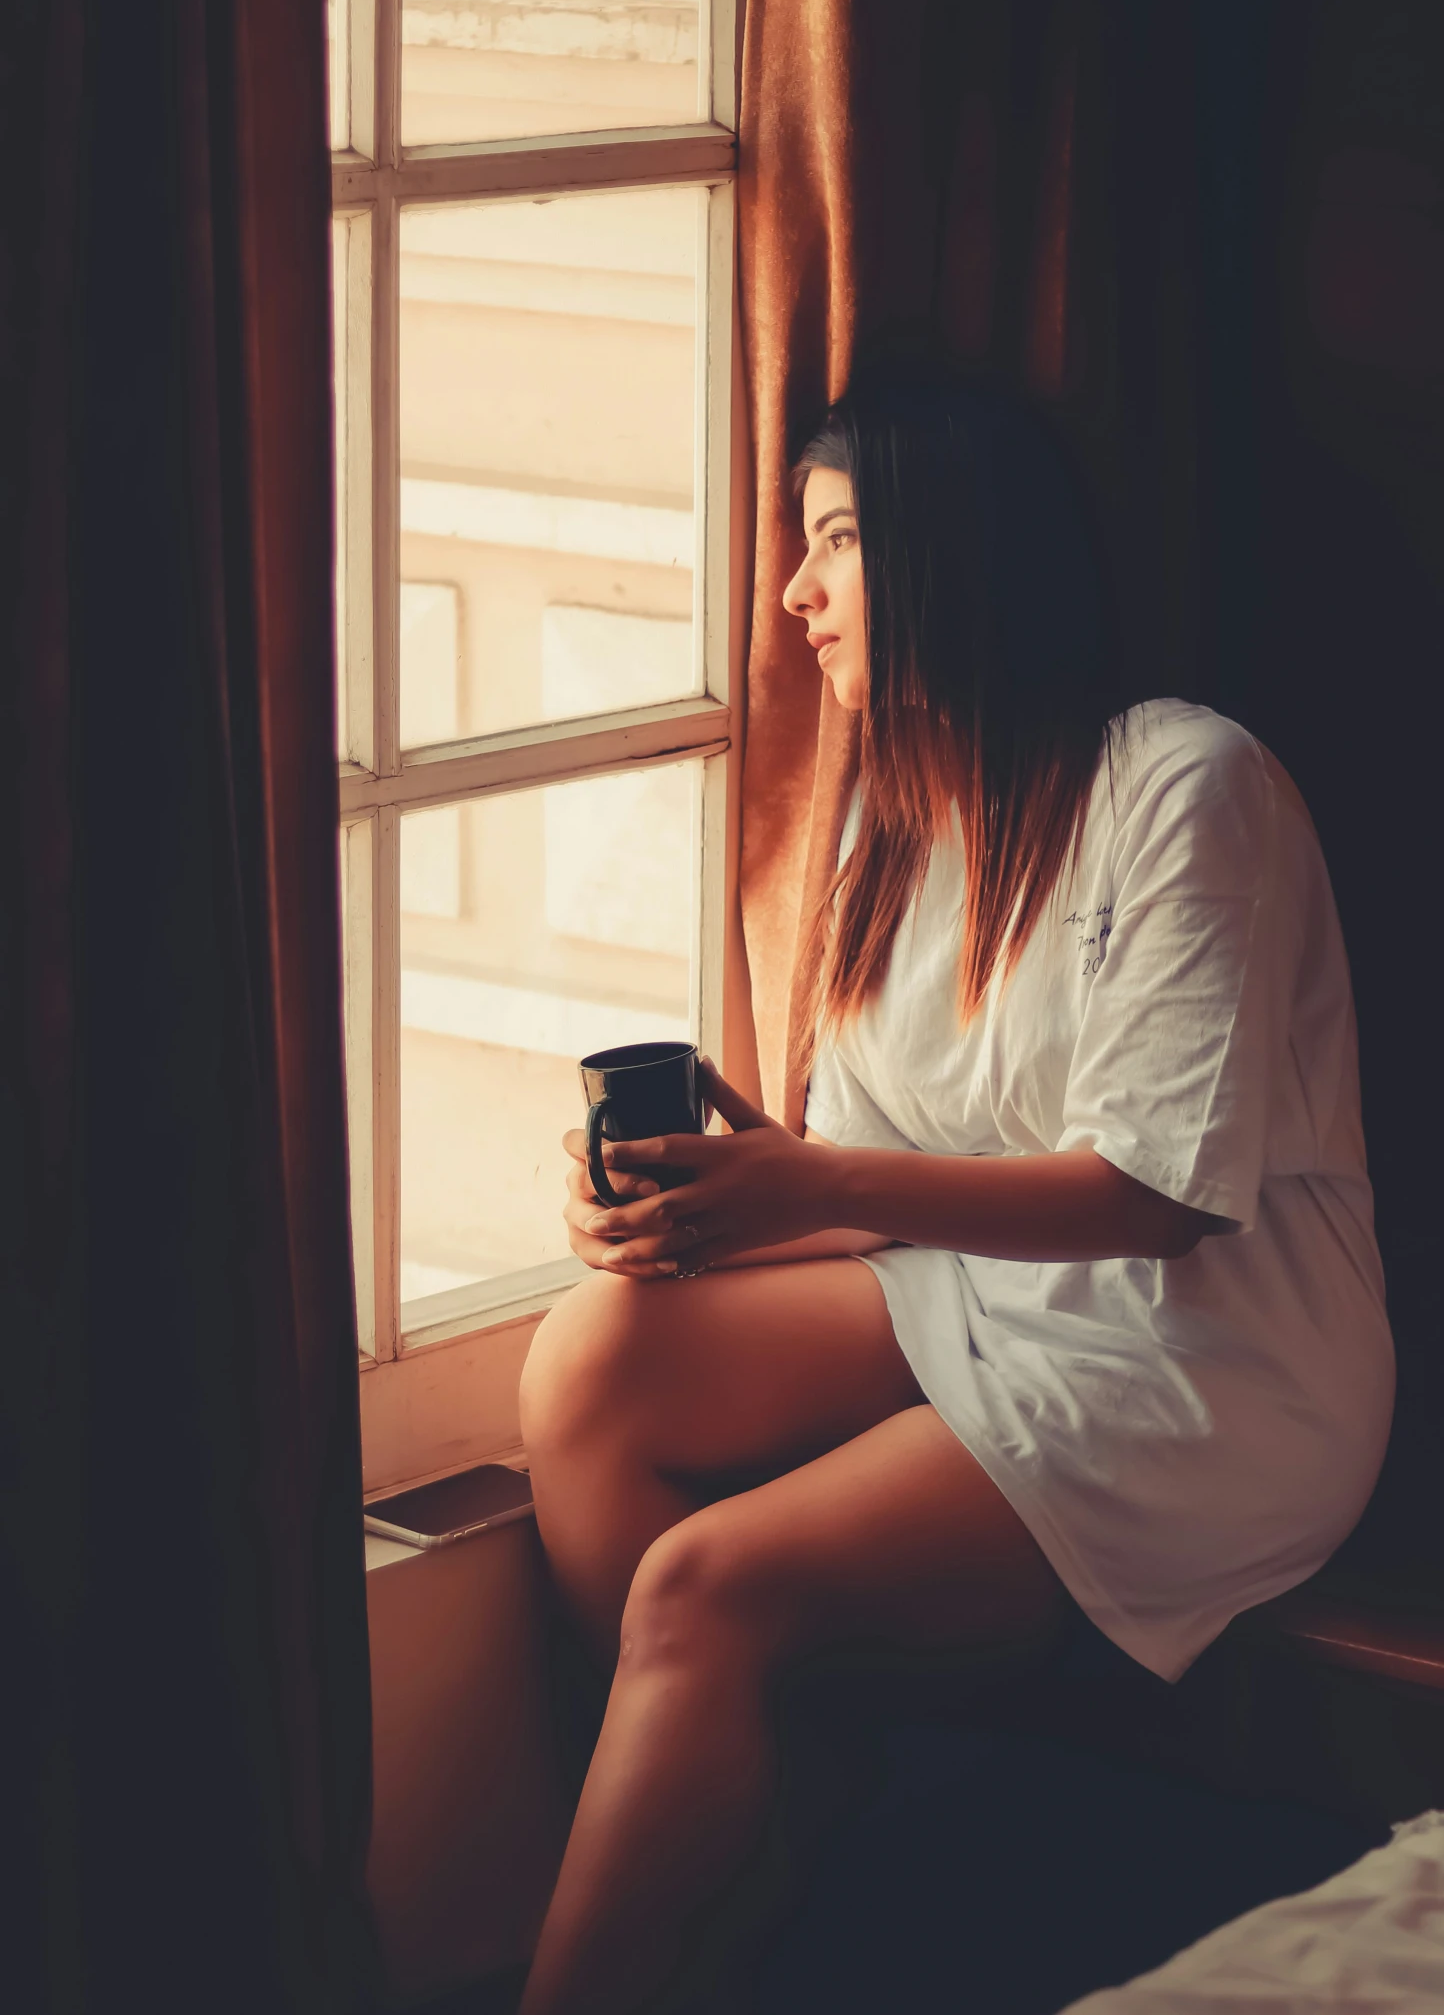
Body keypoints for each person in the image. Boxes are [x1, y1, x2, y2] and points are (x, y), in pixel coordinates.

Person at [516, 372, 1395, 2015]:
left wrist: (812, 1174)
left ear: (955, 559)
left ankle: (712, 1819)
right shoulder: (892, 831)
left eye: (835, 542)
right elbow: (884, 1195)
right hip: (978, 1295)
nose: (794, 595)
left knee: (704, 1581)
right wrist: (706, 1202)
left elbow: (1158, 1195)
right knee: (587, 1359)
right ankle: (772, 1780)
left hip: (1197, 1362)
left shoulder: (1184, 785)